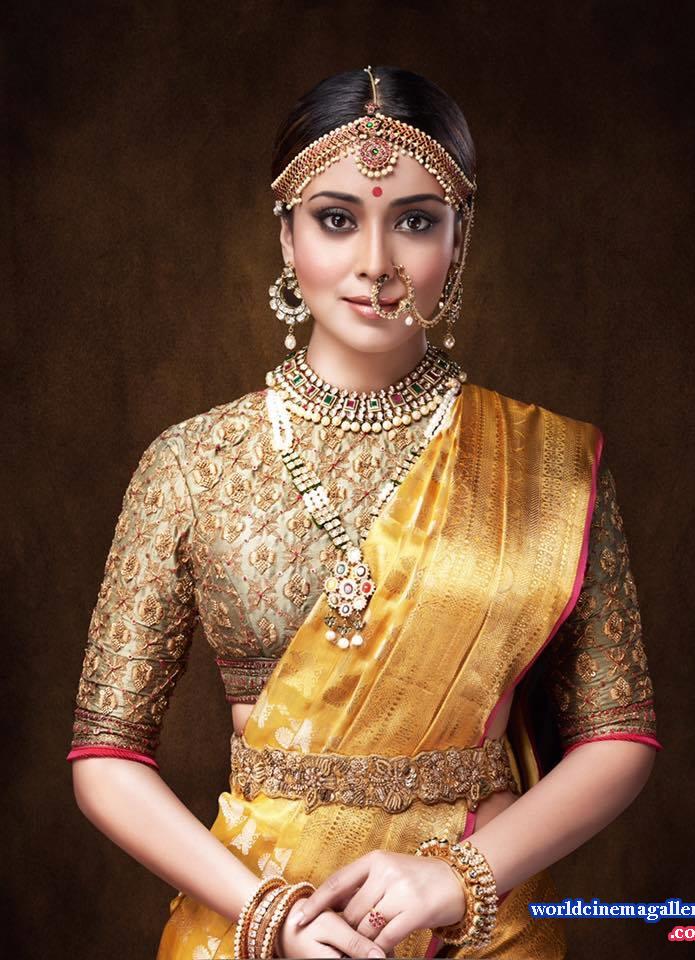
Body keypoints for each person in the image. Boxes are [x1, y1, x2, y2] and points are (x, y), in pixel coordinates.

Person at [67, 65, 663, 959]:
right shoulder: (188, 465)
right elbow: (106, 755)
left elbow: (619, 737)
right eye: (336, 219)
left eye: (415, 221)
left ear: (460, 237)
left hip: (476, 921)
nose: (376, 263)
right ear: (286, 234)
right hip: (256, 916)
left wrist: (456, 878)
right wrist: (271, 915)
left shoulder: (550, 465)